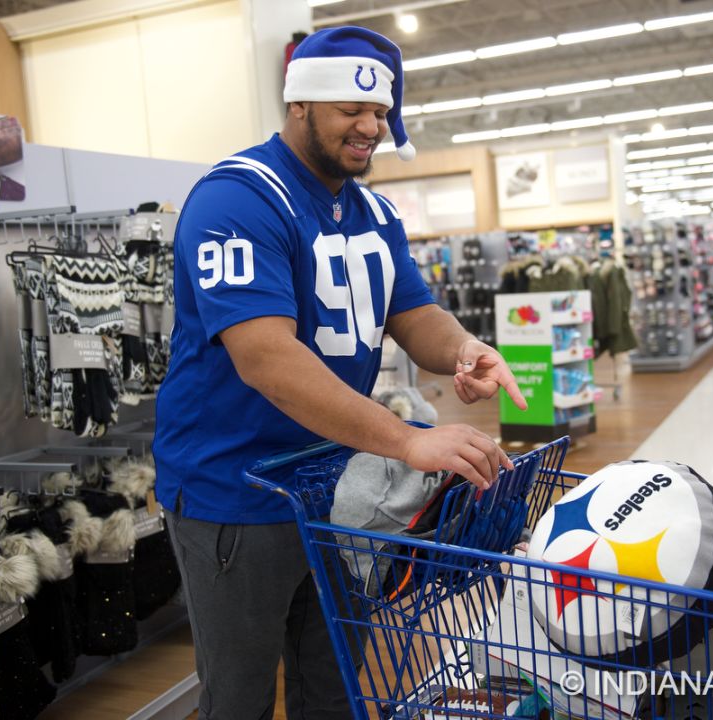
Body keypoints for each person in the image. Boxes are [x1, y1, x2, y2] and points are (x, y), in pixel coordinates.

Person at [151, 26, 528, 720]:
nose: (370, 127)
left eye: (380, 113)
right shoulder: (238, 200)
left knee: (336, 685)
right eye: (349, 111)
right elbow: (266, 358)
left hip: (337, 488)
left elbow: (412, 313)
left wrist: (463, 349)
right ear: (298, 106)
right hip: (234, 490)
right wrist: (407, 439)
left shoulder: (373, 211)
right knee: (238, 697)